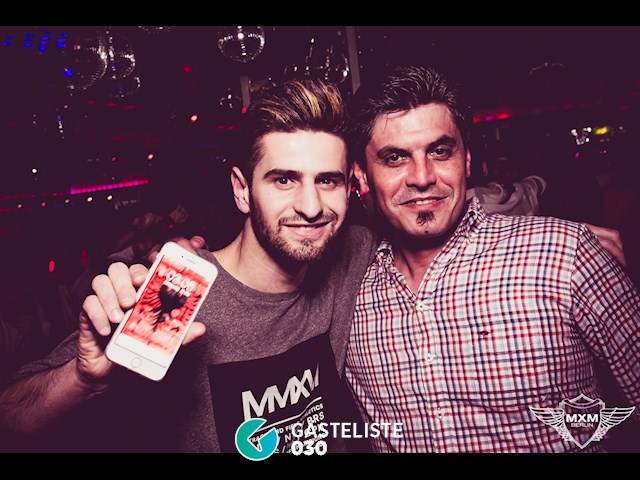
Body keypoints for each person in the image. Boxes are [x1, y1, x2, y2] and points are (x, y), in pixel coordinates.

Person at [0, 78, 377, 453]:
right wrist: (81, 380)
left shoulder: (353, 252)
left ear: (349, 188)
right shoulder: (178, 287)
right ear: (242, 191)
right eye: (283, 180)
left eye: (327, 181)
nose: (311, 207)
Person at [343, 64, 640, 453]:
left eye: (439, 151)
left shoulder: (564, 255)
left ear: (466, 160)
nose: (422, 177)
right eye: (395, 158)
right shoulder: (345, 292)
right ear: (362, 176)